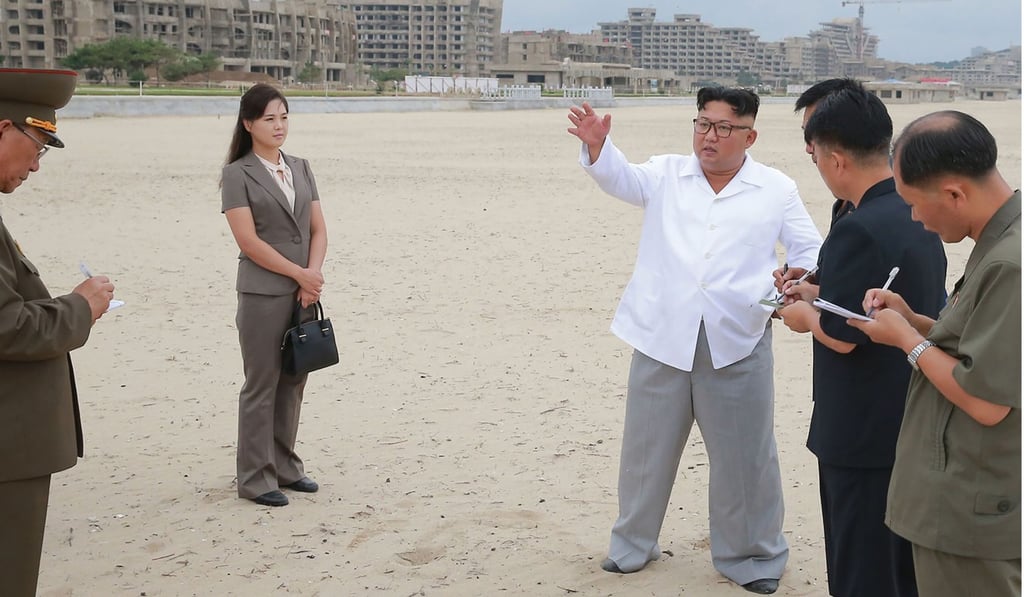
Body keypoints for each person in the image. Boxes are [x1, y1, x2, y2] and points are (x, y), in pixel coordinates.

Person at [567, 87, 823, 594]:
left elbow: (809, 253)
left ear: (749, 135)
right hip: (662, 334)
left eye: (724, 127)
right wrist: (598, 147)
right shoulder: (665, 173)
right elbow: (621, 178)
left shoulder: (775, 187)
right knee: (646, 450)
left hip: (737, 338)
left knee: (746, 458)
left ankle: (752, 557)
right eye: (703, 123)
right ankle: (632, 546)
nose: (710, 136)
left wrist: (781, 295)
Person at [775, 79, 947, 597]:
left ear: (837, 159)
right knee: (901, 565)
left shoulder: (858, 224)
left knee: (859, 565)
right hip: (911, 412)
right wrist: (814, 286)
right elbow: (857, 286)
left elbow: (843, 332)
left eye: (815, 152)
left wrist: (803, 315)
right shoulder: (911, 206)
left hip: (861, 427)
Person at [848, 111, 1020, 597]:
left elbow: (987, 401)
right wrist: (915, 320)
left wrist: (908, 340)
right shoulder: (1003, 241)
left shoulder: (1010, 263)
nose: (916, 219)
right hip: (971, 497)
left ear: (954, 193)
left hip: (973, 506)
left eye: (914, 204)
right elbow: (982, 341)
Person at [0, 68, 117, 595]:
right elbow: (9, 328)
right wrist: (80, 307)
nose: (37, 166)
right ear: (4, 130)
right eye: (39, 146)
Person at [221, 84, 327, 507]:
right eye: (269, 118)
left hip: (302, 291)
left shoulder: (300, 167)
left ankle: (285, 467)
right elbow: (248, 242)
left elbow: (319, 229)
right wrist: (299, 273)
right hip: (263, 292)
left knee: (294, 379)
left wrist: (312, 276)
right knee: (261, 383)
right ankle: (255, 477)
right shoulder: (237, 174)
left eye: (283, 117)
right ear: (249, 124)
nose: (279, 125)